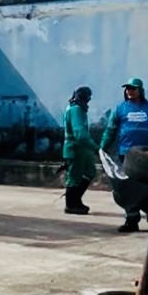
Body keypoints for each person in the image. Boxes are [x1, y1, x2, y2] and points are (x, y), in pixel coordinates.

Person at [100, 77, 148, 233]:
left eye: (133, 88)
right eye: (127, 88)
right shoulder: (120, 108)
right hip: (126, 154)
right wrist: (103, 146)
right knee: (128, 187)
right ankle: (132, 219)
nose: (129, 91)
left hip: (147, 154)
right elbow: (111, 129)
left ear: (140, 90)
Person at [62, 86, 97, 215]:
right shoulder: (76, 110)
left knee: (90, 172)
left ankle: (77, 199)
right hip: (75, 148)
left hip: (83, 149)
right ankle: (71, 204)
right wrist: (95, 147)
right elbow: (80, 134)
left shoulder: (79, 109)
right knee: (74, 177)